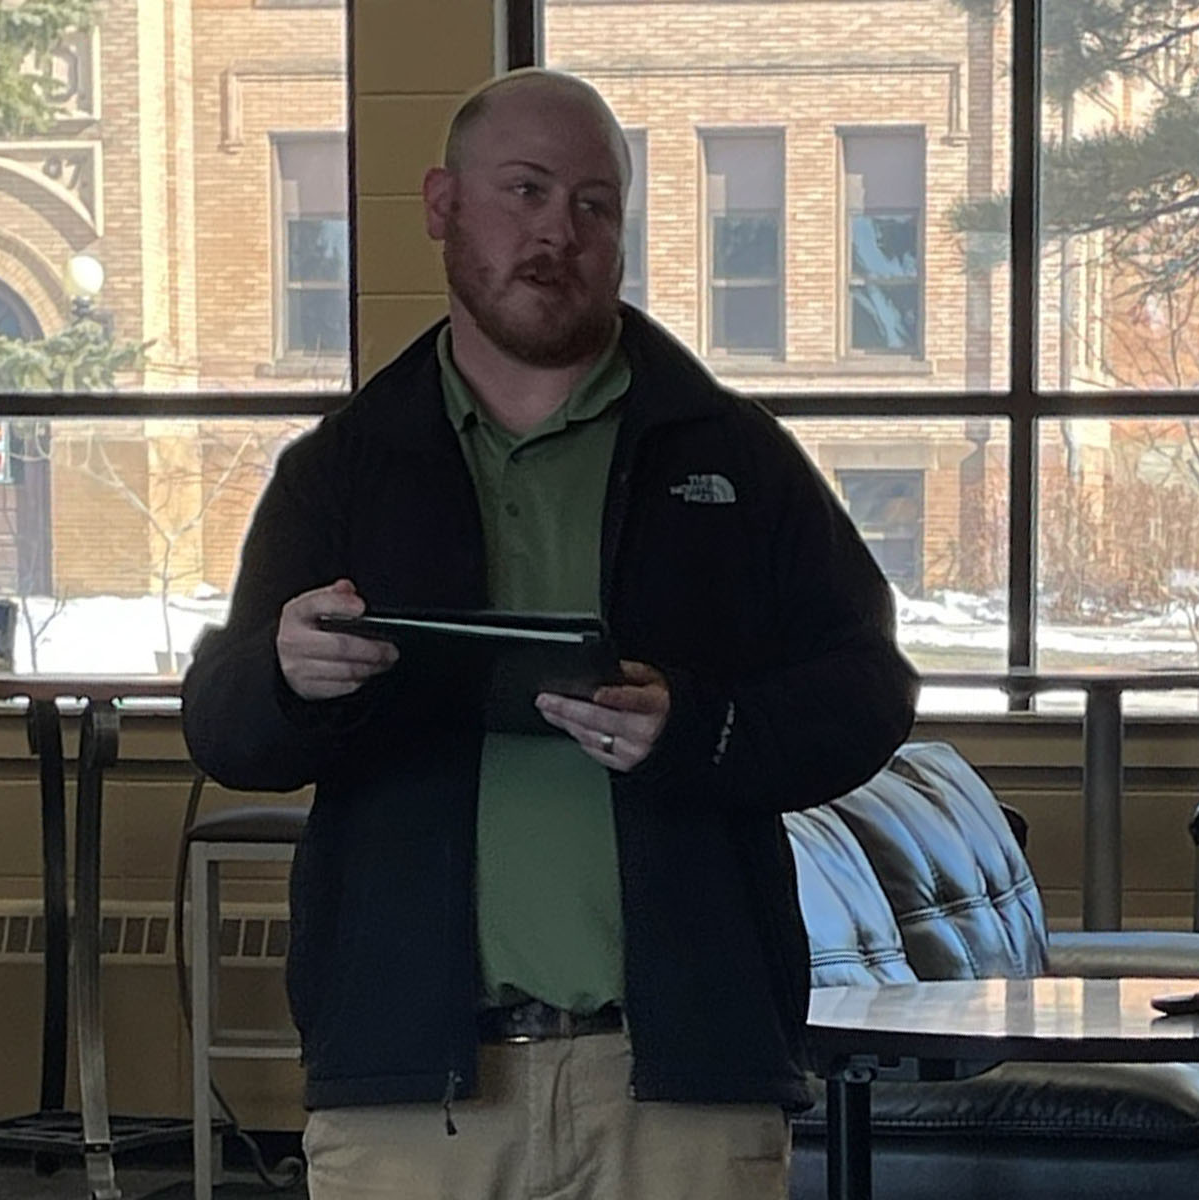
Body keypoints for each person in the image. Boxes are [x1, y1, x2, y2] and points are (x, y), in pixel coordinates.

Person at [182, 67, 918, 1200]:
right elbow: (225, 727)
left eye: (592, 204)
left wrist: (701, 727)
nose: (556, 233)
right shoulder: (342, 471)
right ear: (441, 206)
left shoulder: (730, 455)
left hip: (682, 1089)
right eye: (523, 191)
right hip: (413, 1100)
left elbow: (869, 688)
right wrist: (287, 677)